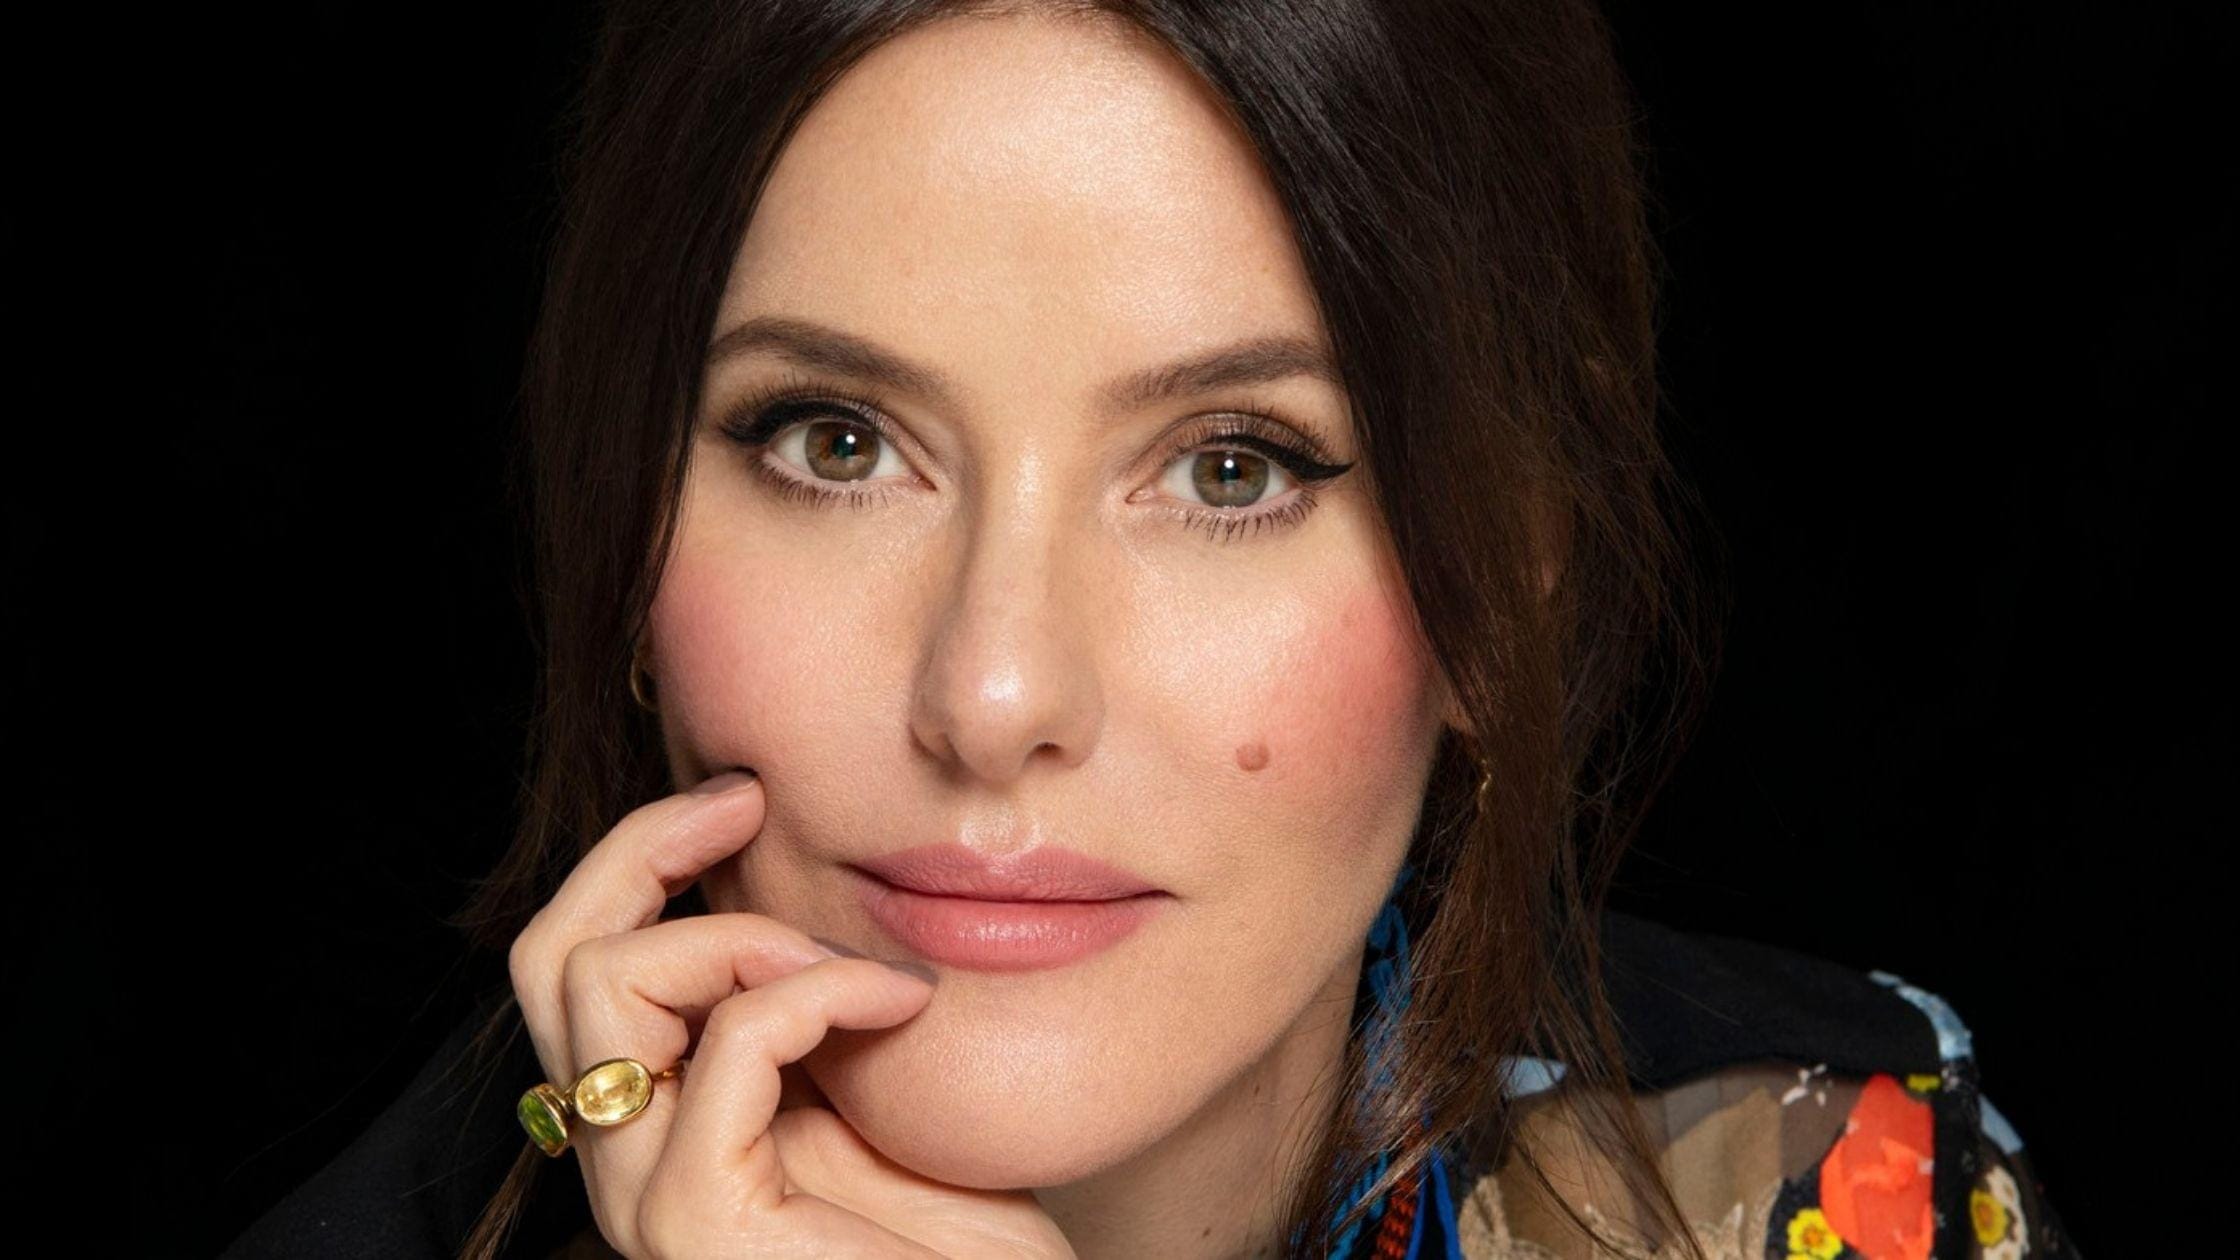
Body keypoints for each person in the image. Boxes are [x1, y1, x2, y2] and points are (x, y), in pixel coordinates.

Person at [224, 1, 2078, 1257]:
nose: (993, 692)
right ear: (624, 535)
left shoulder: (1827, 1176)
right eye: (837, 442)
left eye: (1229, 468)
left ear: (1506, 582)